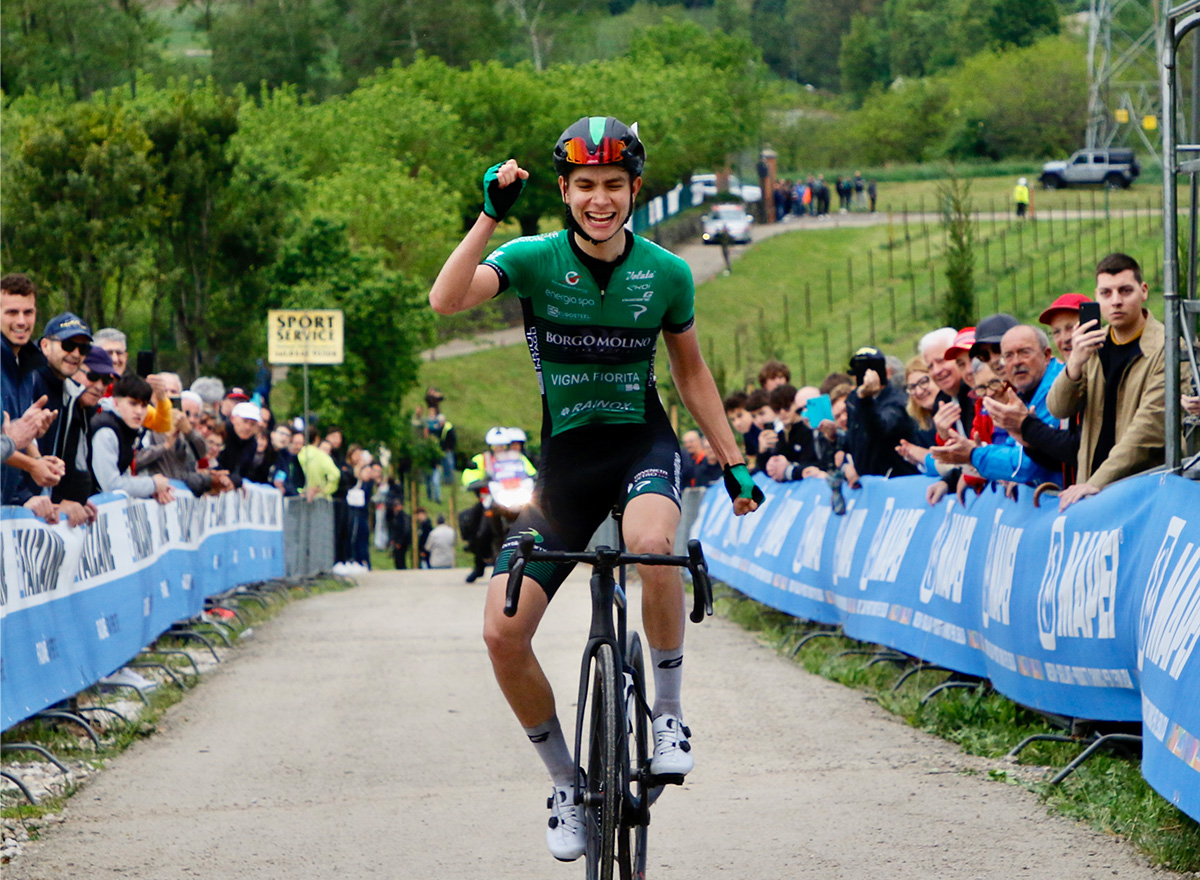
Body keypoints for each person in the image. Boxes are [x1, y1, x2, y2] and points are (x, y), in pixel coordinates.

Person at [427, 116, 761, 862]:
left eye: (614, 185)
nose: (599, 199)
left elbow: (691, 373)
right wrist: (486, 215)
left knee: (651, 546)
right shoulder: (534, 259)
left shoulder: (666, 274)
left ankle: (669, 716)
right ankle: (566, 783)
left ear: (636, 189)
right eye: (585, 186)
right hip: (568, 466)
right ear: (565, 192)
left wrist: (733, 461)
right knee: (501, 630)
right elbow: (447, 301)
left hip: (641, 444)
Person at [1048, 253, 1175, 509]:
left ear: (1144, 291)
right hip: (1093, 493)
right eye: (1106, 293)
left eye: (1125, 291)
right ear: (1096, 297)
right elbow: (1059, 408)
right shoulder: (1093, 345)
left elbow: (1148, 429)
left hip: (1141, 497)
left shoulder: (1168, 347)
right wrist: (1074, 363)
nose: (1116, 301)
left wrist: (1096, 483)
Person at [89, 375, 174, 503]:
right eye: (133, 404)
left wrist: (150, 492)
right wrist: (153, 485)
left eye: (144, 405)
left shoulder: (126, 427)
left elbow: (124, 477)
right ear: (116, 403)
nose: (139, 411)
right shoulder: (106, 431)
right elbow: (111, 485)